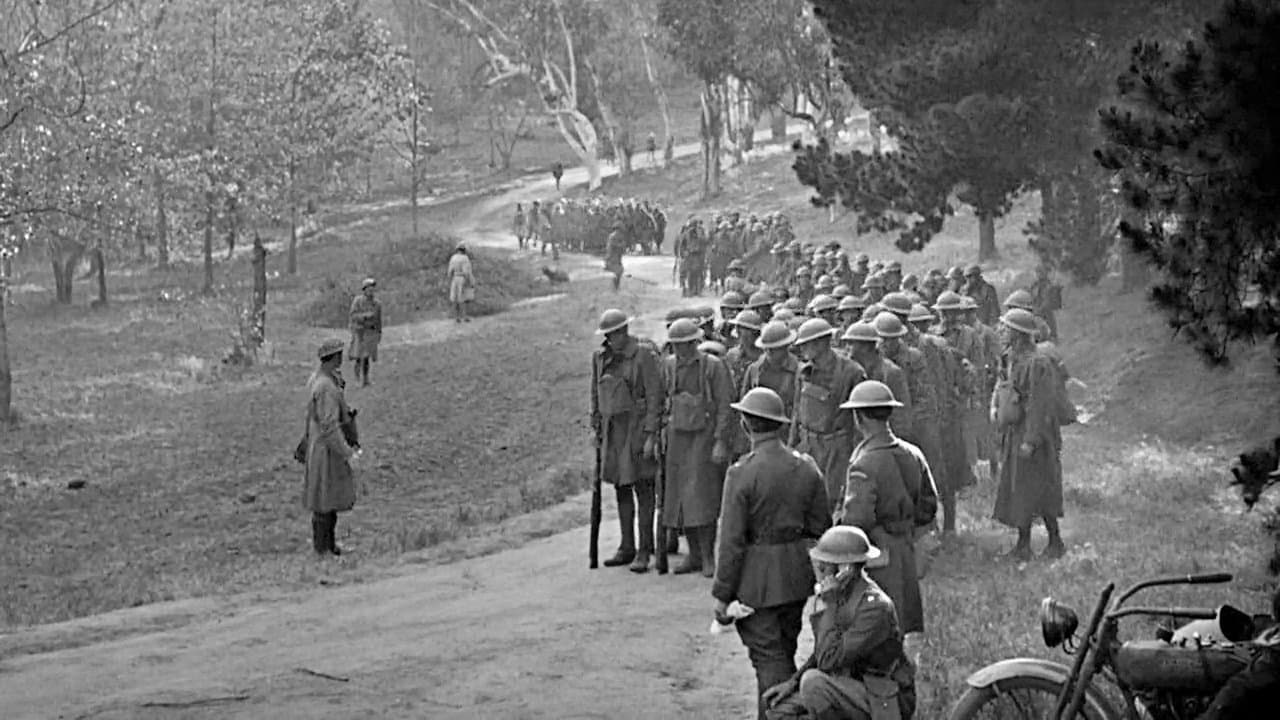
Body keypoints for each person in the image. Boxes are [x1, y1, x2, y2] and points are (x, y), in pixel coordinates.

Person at [713, 387, 832, 720]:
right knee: (783, 651)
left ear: (746, 425)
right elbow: (821, 527)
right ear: (779, 425)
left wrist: (722, 596)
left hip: (757, 583)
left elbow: (732, 542)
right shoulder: (806, 467)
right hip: (795, 578)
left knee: (770, 664)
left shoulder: (741, 473)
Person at [762, 525, 917, 720]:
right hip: (850, 685)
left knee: (813, 684)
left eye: (825, 565)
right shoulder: (845, 594)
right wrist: (792, 683)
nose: (820, 570)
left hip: (882, 694)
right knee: (778, 710)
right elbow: (820, 654)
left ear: (846, 569)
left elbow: (828, 660)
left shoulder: (875, 608)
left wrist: (829, 605)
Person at [838, 380, 938, 655]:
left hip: (877, 555)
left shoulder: (864, 462)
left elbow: (856, 521)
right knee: (903, 624)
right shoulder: (913, 453)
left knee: (875, 627)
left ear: (860, 417)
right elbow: (929, 505)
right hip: (907, 548)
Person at [591, 309, 666, 572]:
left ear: (624, 331)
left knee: (644, 491)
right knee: (621, 489)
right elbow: (596, 394)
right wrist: (596, 427)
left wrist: (651, 435)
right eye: (608, 336)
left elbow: (656, 396)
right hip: (613, 432)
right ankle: (627, 546)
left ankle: (645, 550)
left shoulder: (643, 355)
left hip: (637, 428)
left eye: (615, 334)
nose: (612, 339)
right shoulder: (600, 357)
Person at [662, 318, 736, 577]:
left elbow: (726, 406)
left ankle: (707, 556)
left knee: (704, 499)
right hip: (677, 440)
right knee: (680, 500)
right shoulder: (669, 367)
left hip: (704, 440)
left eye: (686, 344)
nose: (681, 350)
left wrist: (720, 441)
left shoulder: (713, 367)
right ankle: (692, 555)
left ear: (696, 342)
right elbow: (663, 403)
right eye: (677, 345)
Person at [992, 308, 1065, 561]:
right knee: (1020, 490)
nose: (1002, 332)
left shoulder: (1037, 363)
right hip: (1016, 432)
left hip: (1033, 436)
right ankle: (1023, 544)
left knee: (1042, 489)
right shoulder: (1012, 358)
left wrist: (1031, 441)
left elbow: (1039, 405)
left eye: (1006, 328)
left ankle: (1055, 541)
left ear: (1018, 334)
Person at [789, 318, 867, 515]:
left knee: (833, 500)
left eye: (806, 344)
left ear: (821, 342)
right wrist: (791, 446)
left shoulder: (852, 372)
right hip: (808, 444)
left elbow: (862, 420)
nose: (803, 350)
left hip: (836, 448)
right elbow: (797, 411)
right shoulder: (804, 372)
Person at [302, 339, 364, 557]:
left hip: (322, 446)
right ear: (335, 357)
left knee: (328, 498)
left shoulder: (321, 379)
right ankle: (322, 548)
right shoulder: (325, 386)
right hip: (326, 450)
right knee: (325, 501)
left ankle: (329, 545)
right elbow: (329, 426)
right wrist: (347, 452)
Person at [347, 277, 383, 387]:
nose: (371, 291)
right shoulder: (358, 301)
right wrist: (364, 316)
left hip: (370, 333)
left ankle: (366, 379)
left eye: (373, 289)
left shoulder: (377, 304)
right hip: (359, 332)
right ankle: (357, 379)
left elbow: (378, 320)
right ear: (364, 290)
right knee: (358, 357)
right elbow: (353, 315)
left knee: (367, 357)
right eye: (369, 289)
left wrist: (379, 333)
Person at [1030, 264, 1063, 343]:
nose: (1039, 274)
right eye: (1038, 272)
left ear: (1045, 273)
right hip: (1037, 312)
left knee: (1051, 329)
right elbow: (1032, 297)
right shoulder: (1035, 285)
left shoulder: (1049, 285)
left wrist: (1040, 309)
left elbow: (1048, 301)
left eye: (1041, 272)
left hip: (1045, 312)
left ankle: (1052, 338)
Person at [447, 242, 475, 323]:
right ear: (464, 250)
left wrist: (450, 277)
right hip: (462, 278)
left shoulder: (453, 258)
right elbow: (467, 272)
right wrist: (470, 281)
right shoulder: (465, 258)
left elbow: (449, 271)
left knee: (455, 298)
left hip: (455, 278)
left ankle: (457, 317)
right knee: (464, 298)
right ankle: (465, 316)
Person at [605, 219, 627, 292]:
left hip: (616, 258)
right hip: (612, 258)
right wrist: (621, 246)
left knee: (620, 271)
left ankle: (616, 286)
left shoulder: (617, 236)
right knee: (619, 270)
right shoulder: (613, 236)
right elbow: (613, 246)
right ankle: (615, 286)